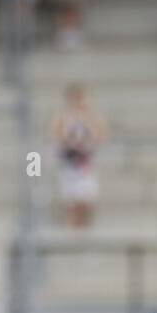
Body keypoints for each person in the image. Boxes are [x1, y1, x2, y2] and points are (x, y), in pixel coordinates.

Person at [51, 83, 107, 228]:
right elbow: (57, 136)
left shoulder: (92, 117)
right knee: (71, 198)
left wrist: (87, 140)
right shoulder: (63, 118)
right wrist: (70, 143)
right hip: (70, 162)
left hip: (86, 163)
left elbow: (101, 135)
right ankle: (72, 226)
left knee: (87, 197)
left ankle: (85, 226)